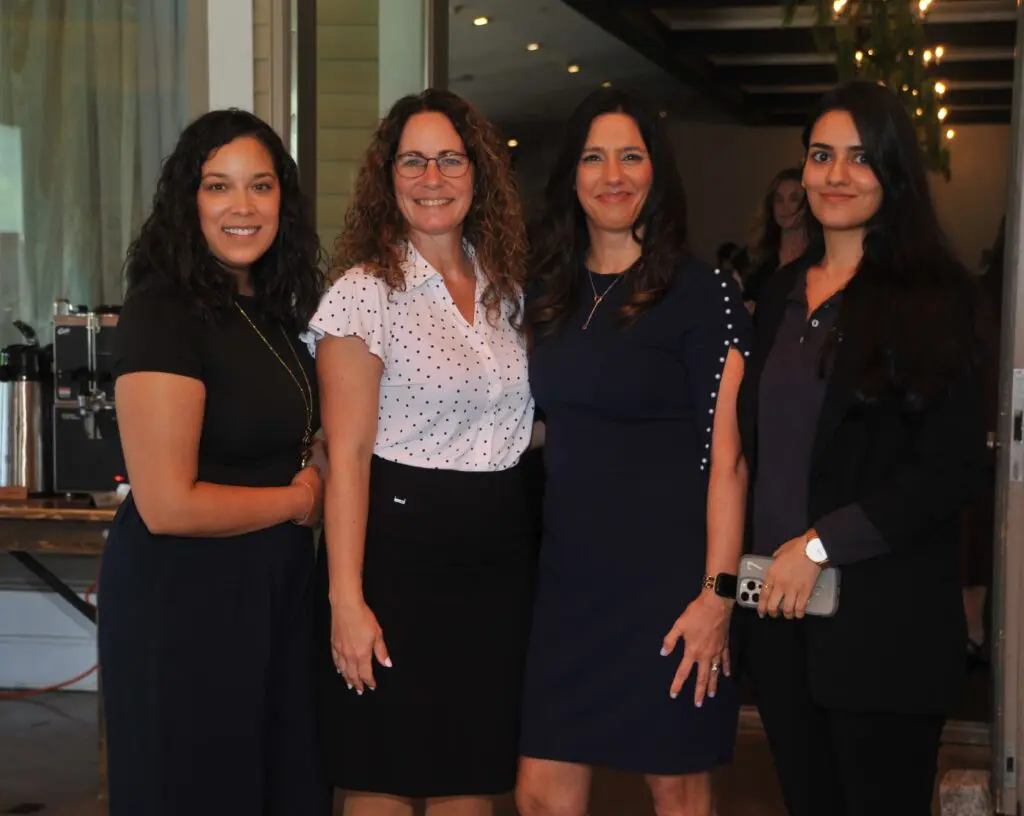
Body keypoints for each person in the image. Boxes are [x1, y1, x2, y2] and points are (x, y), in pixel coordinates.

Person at [737, 80, 987, 816]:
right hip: (781, 626)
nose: (836, 175)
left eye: (859, 157)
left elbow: (949, 468)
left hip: (887, 628)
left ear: (893, 171)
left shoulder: (939, 297)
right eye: (821, 156)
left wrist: (819, 545)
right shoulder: (779, 293)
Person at [516, 87, 751, 816]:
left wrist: (716, 597)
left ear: (657, 171)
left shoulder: (703, 293)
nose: (612, 175)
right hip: (567, 585)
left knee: (675, 790)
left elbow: (728, 461)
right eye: (593, 157)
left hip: (668, 586)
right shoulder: (545, 292)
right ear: (572, 175)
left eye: (630, 156)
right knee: (540, 795)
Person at [303, 89, 535, 815]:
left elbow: (518, 422)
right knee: (384, 771)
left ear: (478, 173)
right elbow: (348, 455)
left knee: (472, 773)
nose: (432, 178)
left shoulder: (508, 290)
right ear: (388, 177)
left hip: (498, 566)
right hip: (397, 562)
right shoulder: (363, 293)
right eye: (413, 161)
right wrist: (346, 599)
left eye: (449, 160)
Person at [97, 109, 331, 815]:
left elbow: (289, 429)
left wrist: (321, 456)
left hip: (274, 594)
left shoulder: (274, 311)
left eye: (260, 185)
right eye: (218, 186)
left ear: (283, 200)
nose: (242, 206)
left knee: (283, 789)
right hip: (185, 602)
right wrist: (300, 501)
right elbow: (168, 505)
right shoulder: (164, 312)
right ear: (187, 200)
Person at [741, 167, 815, 308]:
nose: (784, 207)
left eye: (794, 199)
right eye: (779, 200)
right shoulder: (757, 256)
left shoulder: (821, 256)